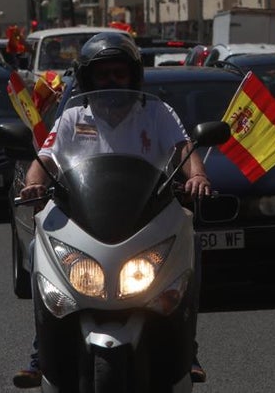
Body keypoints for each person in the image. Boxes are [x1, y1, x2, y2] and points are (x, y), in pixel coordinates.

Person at [13, 33, 212, 388]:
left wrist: (197, 176)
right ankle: (38, 354)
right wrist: (35, 183)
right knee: (39, 254)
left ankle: (188, 350)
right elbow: (45, 158)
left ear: (133, 76)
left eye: (119, 73)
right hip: (84, 215)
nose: (112, 82)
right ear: (88, 79)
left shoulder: (157, 113)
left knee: (191, 247)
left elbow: (184, 149)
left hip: (147, 213)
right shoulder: (73, 117)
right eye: (103, 74)